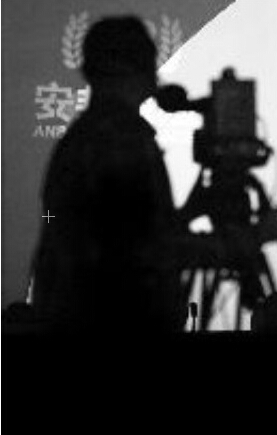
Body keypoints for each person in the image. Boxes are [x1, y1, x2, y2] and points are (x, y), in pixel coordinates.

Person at [30, 17, 232, 332]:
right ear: (131, 68)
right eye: (149, 61)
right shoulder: (120, 138)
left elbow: (122, 234)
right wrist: (239, 244)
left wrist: (188, 213)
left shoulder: (83, 137)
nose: (156, 74)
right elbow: (146, 251)